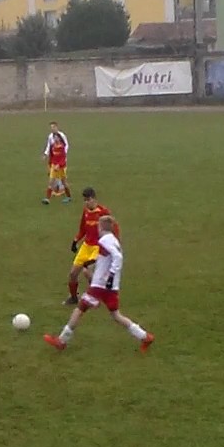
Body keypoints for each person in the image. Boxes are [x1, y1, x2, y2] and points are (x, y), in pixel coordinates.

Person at [44, 216, 154, 354]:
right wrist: (92, 264)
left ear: (101, 227)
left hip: (101, 285)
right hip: (111, 286)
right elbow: (109, 257)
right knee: (116, 315)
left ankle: (62, 341)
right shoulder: (113, 239)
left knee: (80, 308)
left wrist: (110, 275)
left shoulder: (104, 240)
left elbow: (117, 257)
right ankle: (145, 337)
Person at [63, 187, 113, 305]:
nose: (86, 202)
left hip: (98, 247)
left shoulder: (103, 212)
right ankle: (74, 297)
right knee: (73, 274)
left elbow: (112, 230)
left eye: (88, 199)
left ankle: (96, 296)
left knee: (87, 271)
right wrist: (75, 241)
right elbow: (82, 229)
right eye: (85, 200)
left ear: (94, 199)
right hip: (86, 246)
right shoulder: (85, 212)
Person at [42, 133, 71, 205]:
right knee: (51, 182)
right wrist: (50, 166)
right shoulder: (52, 146)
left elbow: (63, 158)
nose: (55, 139)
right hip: (54, 166)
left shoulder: (62, 147)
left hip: (61, 167)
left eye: (56, 137)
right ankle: (47, 199)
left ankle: (69, 197)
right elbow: (51, 157)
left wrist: (59, 165)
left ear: (59, 138)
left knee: (64, 182)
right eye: (54, 138)